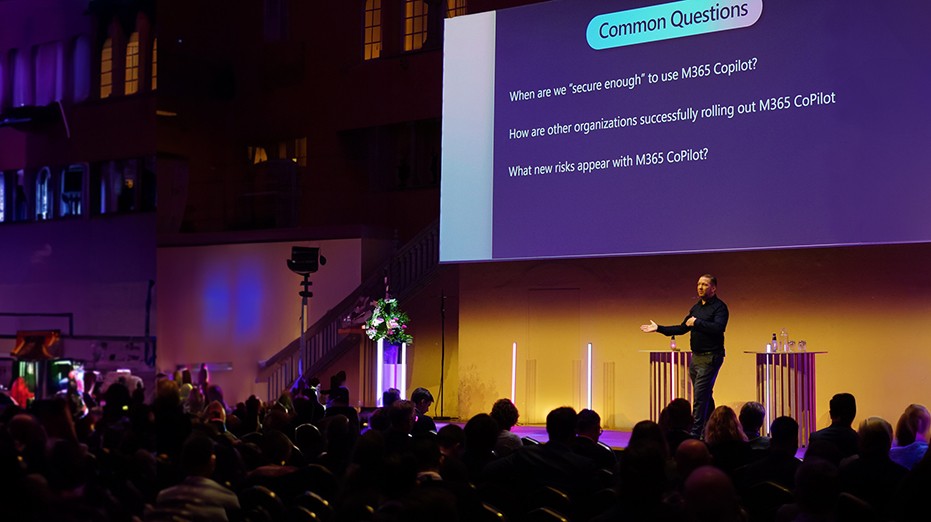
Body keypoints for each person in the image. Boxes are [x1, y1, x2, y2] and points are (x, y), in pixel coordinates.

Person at [641, 274, 729, 438]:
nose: (700, 287)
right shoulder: (696, 308)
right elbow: (682, 328)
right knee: (705, 396)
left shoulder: (719, 307)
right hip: (696, 357)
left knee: (699, 398)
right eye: (698, 284)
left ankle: (695, 435)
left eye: (704, 284)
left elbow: (718, 328)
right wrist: (658, 328)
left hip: (711, 357)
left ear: (713, 288)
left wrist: (697, 323)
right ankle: (711, 430)